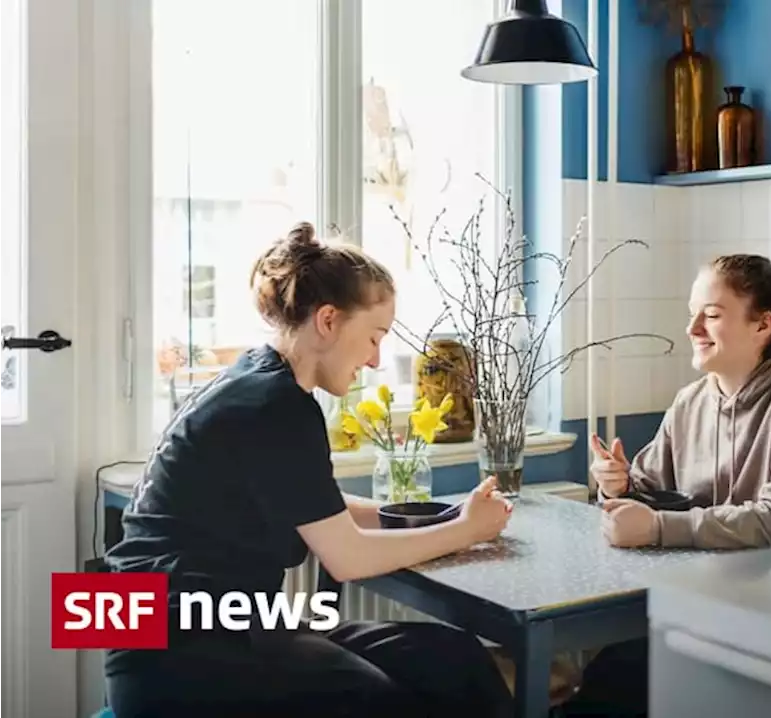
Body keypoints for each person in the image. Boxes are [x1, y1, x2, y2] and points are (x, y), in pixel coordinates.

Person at [103, 222, 516, 718]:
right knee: (385, 702)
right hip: (180, 652)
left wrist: (432, 517)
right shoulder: (274, 404)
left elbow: (318, 508)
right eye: (373, 338)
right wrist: (467, 531)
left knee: (453, 659)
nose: (375, 359)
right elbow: (347, 557)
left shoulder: (261, 379)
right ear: (328, 320)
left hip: (213, 626)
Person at [561, 253, 771, 716]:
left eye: (711, 315)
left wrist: (656, 527)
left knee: (623, 678)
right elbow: (651, 490)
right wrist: (618, 486)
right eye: (692, 313)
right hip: (704, 597)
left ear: (763, 326)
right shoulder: (691, 400)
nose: (693, 328)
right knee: (612, 673)